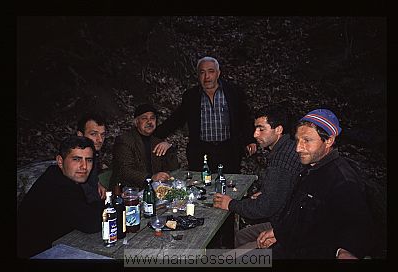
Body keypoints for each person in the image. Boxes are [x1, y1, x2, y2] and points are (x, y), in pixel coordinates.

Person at [257, 109, 373, 259]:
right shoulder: (312, 168)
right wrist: (279, 233)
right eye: (298, 140)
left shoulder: (343, 180)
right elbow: (302, 214)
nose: (298, 148)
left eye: (307, 140)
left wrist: (345, 250)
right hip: (288, 243)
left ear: (329, 141)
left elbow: (360, 226)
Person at [213, 106, 303, 248]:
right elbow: (288, 185)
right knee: (241, 236)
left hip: (289, 226)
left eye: (261, 129)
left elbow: (266, 207)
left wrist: (230, 204)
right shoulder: (288, 145)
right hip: (288, 217)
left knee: (234, 255)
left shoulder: (281, 160)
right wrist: (269, 191)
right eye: (255, 128)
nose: (255, 134)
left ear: (278, 130)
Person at [153, 56, 256, 173]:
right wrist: (155, 135)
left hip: (229, 150)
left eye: (211, 72)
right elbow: (176, 119)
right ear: (198, 75)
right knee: (201, 186)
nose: (207, 77)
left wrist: (250, 139)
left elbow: (245, 117)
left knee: (229, 185)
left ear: (218, 73)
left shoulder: (233, 92)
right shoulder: (191, 96)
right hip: (201, 152)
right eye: (202, 72)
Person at [17, 136, 104, 258]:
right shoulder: (58, 186)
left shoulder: (58, 174)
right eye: (76, 159)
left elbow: (83, 211)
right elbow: (91, 223)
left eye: (89, 160)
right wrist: (112, 203)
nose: (84, 166)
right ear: (60, 161)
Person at [110, 103, 179, 190]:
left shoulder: (157, 141)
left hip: (155, 189)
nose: (149, 122)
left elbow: (174, 168)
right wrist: (151, 177)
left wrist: (169, 147)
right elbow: (125, 171)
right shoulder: (125, 141)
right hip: (128, 191)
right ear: (136, 122)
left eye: (152, 118)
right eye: (144, 118)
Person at [76, 112, 107, 202]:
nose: (100, 140)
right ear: (80, 135)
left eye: (103, 134)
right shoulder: (74, 161)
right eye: (93, 134)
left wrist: (97, 183)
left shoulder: (93, 154)